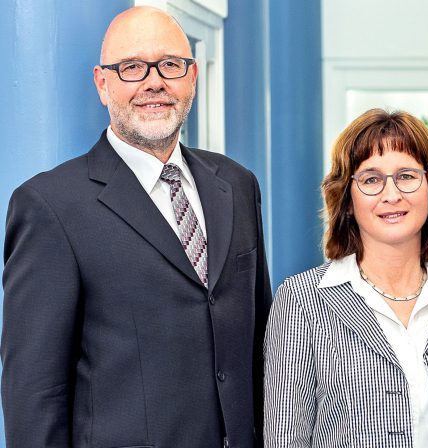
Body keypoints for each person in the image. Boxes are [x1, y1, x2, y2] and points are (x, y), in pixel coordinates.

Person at [1, 6, 271, 447]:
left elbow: (261, 345)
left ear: (192, 77)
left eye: (170, 64)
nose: (154, 82)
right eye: (131, 67)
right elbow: (35, 393)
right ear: (102, 84)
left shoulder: (237, 184)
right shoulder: (49, 206)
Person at [263, 109, 428, 447]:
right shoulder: (302, 300)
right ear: (347, 199)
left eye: (407, 175)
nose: (391, 195)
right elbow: (284, 437)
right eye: (371, 179)